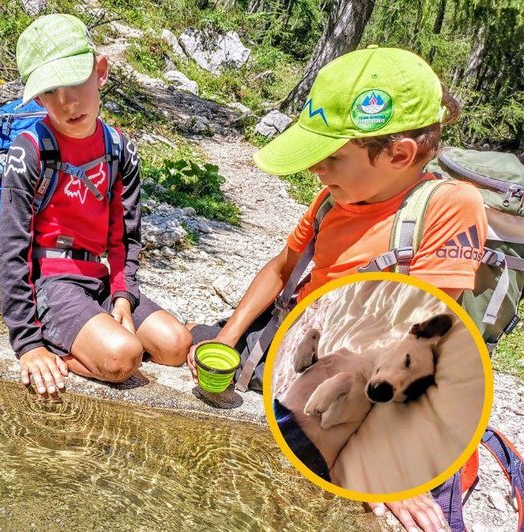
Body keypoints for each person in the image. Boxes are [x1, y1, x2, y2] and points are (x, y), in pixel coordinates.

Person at [188, 46, 485, 532]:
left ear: (399, 154)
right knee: (188, 346)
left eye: (331, 157)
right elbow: (281, 269)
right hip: (303, 346)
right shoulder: (335, 198)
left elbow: (423, 344)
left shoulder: (448, 207)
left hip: (364, 373)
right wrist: (228, 338)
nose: (315, 170)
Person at [0, 14, 191, 399]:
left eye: (75, 82)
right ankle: (60, 342)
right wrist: (28, 344)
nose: (66, 101)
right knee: (123, 356)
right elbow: (13, 249)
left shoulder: (120, 150)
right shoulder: (29, 151)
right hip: (51, 280)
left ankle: (93, 330)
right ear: (38, 98)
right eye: (50, 91)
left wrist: (123, 293)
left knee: (175, 345)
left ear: (99, 71)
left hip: (98, 277)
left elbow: (125, 235)